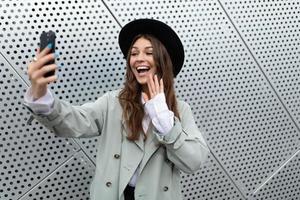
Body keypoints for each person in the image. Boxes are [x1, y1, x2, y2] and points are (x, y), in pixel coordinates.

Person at [24, 18, 209, 200]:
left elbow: (193, 162)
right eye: (134, 53)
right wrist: (40, 94)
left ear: (163, 61)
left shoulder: (181, 109)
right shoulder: (114, 102)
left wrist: (165, 121)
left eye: (149, 52)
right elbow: (74, 121)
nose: (139, 59)